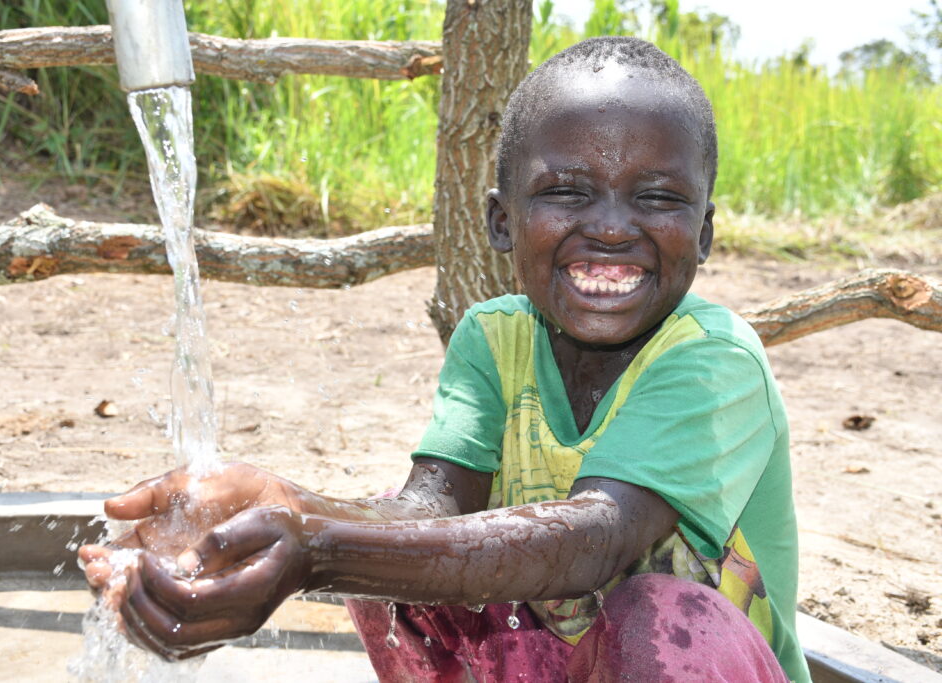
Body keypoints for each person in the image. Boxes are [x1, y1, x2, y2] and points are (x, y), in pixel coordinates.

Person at [80, 36, 810, 682]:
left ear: (705, 231)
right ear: (502, 220)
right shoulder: (494, 338)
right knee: (395, 563)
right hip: (567, 660)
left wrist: (318, 550)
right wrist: (284, 506)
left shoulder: (714, 363)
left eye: (656, 197)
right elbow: (429, 508)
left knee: (667, 614)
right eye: (565, 192)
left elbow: (597, 537)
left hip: (681, 663)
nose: (612, 228)